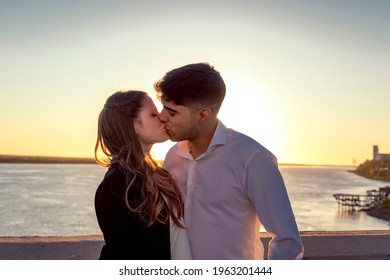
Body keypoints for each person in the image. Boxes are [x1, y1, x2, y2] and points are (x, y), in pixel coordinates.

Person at [154, 63, 304, 260]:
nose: (161, 116)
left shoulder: (253, 158)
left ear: (202, 115)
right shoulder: (173, 156)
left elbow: (287, 239)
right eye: (162, 108)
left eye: (171, 112)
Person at [94, 90, 191, 260]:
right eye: (153, 114)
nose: (162, 117)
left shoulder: (158, 175)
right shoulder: (116, 184)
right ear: (133, 125)